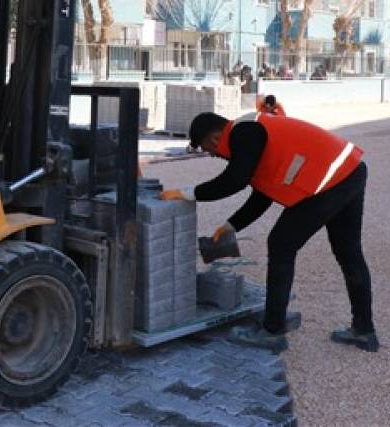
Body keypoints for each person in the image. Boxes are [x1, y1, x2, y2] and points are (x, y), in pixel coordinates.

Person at [160, 111, 377, 353]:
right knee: (349, 252)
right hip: (350, 171)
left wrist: (187, 193)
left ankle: (272, 332)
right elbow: (262, 195)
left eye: (207, 149)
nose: (212, 155)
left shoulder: (243, 133)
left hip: (331, 181)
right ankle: (364, 330)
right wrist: (231, 226)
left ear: (213, 139)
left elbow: (234, 180)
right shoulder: (252, 135)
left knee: (281, 244)